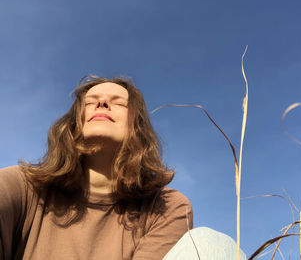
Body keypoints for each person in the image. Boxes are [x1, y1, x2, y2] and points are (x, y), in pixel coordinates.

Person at [0, 76, 194, 260]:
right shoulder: (23, 187)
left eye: (118, 102)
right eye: (90, 102)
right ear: (75, 121)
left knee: (212, 243)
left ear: (138, 125)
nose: (102, 103)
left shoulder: (167, 205)